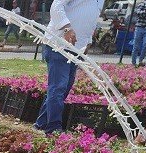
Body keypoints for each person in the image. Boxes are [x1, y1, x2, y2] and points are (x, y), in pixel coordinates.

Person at [33, 0, 105, 134]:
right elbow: (56, 6)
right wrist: (66, 28)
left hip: (77, 48)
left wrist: (88, 41)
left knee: (64, 87)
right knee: (59, 86)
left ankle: (41, 124)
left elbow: (91, 18)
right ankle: (53, 128)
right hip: (59, 44)